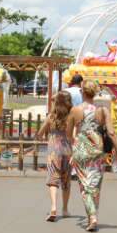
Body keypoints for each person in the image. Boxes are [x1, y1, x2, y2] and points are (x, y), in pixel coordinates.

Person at [68, 80, 117, 232]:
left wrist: (75, 144)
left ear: (82, 92)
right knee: (95, 185)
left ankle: (92, 216)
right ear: (95, 93)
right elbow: (111, 132)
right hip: (97, 149)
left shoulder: (75, 110)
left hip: (81, 149)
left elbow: (68, 133)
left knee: (84, 185)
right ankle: (93, 215)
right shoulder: (103, 111)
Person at [37, 91, 73, 222]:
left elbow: (40, 132)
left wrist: (41, 136)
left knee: (53, 180)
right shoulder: (71, 117)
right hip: (68, 151)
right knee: (66, 181)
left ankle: (53, 207)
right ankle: (65, 208)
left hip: (54, 152)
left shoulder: (51, 116)